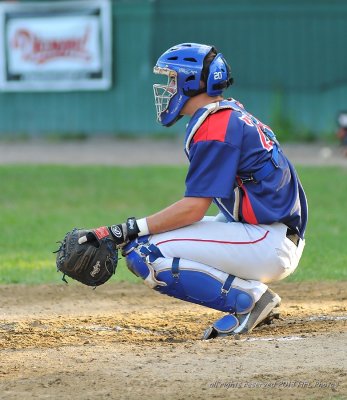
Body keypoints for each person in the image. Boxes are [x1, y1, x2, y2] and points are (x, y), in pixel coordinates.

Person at [85, 43, 308, 339]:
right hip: (268, 233)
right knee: (143, 241)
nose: (168, 87)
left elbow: (194, 208)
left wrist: (124, 229)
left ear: (192, 82)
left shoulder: (217, 125)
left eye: (173, 79)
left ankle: (251, 299)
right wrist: (129, 231)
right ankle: (253, 295)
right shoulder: (228, 114)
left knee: (144, 252)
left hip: (268, 241)